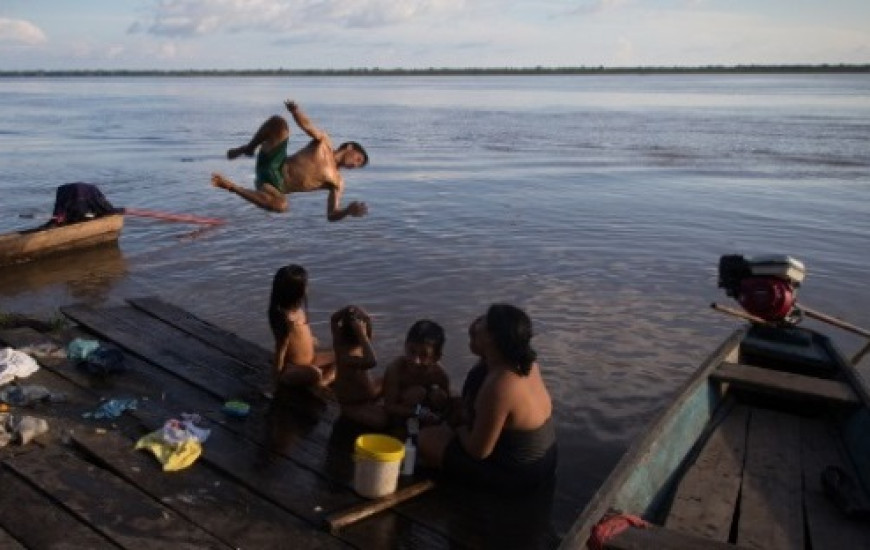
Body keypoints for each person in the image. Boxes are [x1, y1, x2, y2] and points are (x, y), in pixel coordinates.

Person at [418, 304, 557, 494]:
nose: (477, 324)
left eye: (483, 322)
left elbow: (478, 451)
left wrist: (458, 427)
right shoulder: (526, 364)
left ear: (491, 337)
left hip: (518, 477)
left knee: (427, 439)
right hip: (543, 463)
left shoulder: (500, 385)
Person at [211, 99, 370, 222]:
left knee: (282, 205)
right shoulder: (325, 143)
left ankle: (232, 187)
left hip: (272, 186)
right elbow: (308, 126)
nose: (355, 165)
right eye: (358, 159)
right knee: (279, 123)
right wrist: (295, 112)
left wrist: (347, 211)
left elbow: (331, 214)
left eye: (358, 165)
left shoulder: (337, 181)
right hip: (274, 160)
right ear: (349, 147)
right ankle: (249, 148)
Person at [268, 264, 336, 392]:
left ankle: (325, 379)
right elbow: (280, 350)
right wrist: (276, 379)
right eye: (306, 285)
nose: (308, 288)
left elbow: (302, 336)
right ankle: (323, 380)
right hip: (292, 368)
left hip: (311, 359)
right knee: (315, 373)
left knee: (344, 354)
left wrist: (311, 339)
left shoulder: (298, 311)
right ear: (296, 291)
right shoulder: (285, 319)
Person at [382, 319, 451, 427]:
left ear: (436, 357)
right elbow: (389, 406)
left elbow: (448, 401)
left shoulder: (439, 374)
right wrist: (418, 412)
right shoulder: (395, 369)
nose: (416, 360)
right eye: (412, 351)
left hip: (426, 408)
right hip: (405, 409)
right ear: (405, 346)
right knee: (417, 393)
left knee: (439, 395)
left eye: (424, 355)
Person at [329, 305, 388, 429]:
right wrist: (362, 335)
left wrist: (349, 309)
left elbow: (334, 319)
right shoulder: (345, 356)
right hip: (353, 406)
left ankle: (376, 405)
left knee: (390, 377)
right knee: (383, 421)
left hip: (367, 395)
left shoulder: (341, 342)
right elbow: (372, 361)